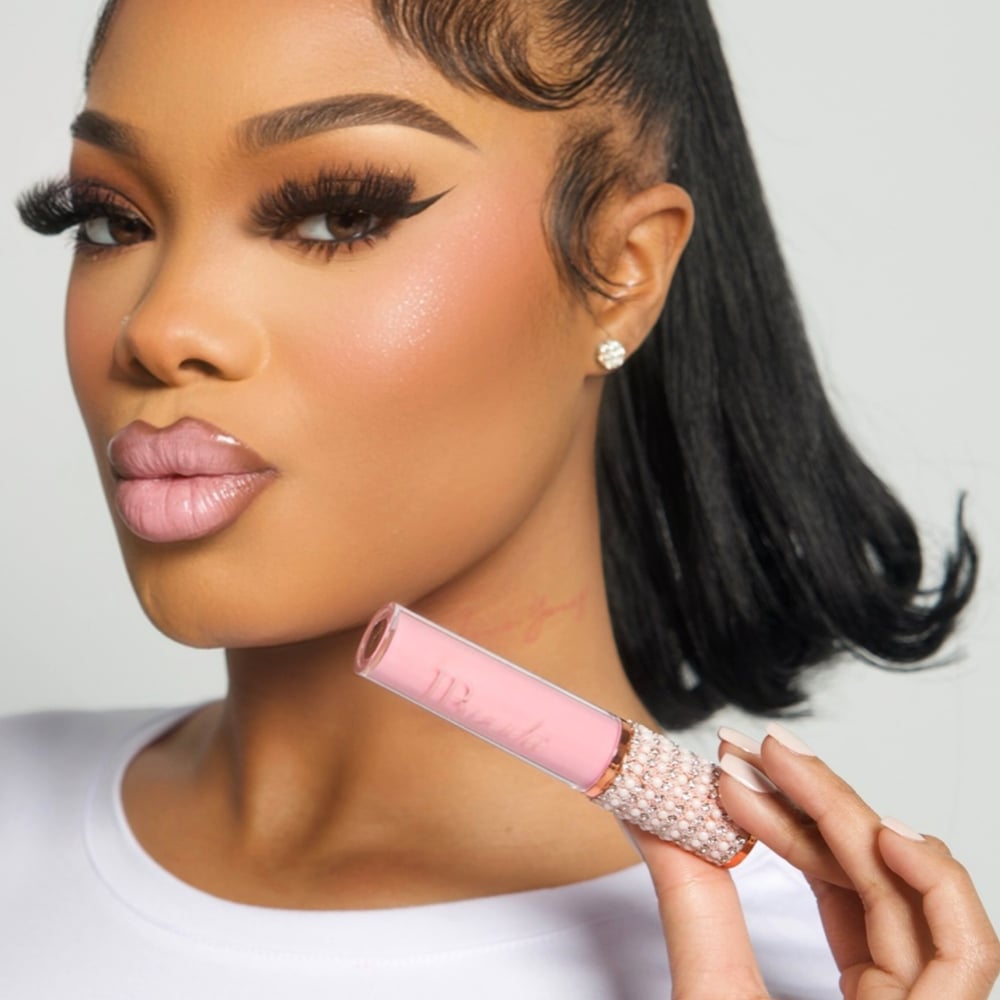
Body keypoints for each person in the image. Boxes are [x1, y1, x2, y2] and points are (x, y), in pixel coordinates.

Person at [4, 0, 998, 996]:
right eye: (112, 219)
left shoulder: (827, 971)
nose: (159, 327)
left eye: (337, 214)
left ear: (620, 271)